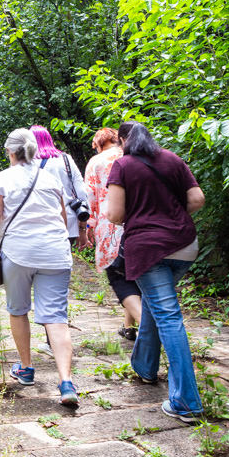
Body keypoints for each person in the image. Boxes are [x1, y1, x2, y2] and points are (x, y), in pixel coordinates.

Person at [106, 121, 206, 423]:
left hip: (149, 249)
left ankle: (187, 402)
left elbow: (115, 214)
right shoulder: (173, 159)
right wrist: (171, 217)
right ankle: (145, 367)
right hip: (185, 246)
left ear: (123, 141)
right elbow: (198, 199)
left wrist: (149, 220)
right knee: (154, 304)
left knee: (168, 315)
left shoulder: (122, 165)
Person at [0, 129, 77, 406]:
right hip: (56, 253)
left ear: (10, 152)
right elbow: (60, 216)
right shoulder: (50, 178)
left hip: (19, 253)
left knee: (18, 310)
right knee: (56, 317)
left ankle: (26, 367)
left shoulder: (2, 178)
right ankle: (66, 381)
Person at [85, 127, 141, 341]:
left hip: (110, 225)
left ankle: (146, 328)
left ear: (98, 143)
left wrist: (88, 226)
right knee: (134, 275)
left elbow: (89, 195)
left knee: (119, 275)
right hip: (137, 223)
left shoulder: (96, 162)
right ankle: (128, 326)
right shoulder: (132, 156)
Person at [31, 125, 90, 248]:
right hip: (67, 222)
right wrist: (83, 228)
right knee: (63, 261)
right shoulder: (65, 159)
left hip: (36, 222)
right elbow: (81, 193)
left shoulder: (27, 163)